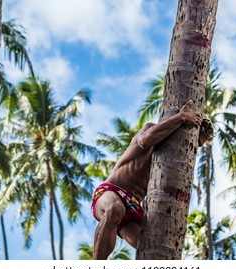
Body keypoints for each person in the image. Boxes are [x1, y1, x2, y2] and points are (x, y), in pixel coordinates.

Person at [91, 100, 214, 260]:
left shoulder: (177, 160)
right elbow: (145, 140)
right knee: (115, 210)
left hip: (134, 206)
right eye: (194, 140)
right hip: (113, 191)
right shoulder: (151, 129)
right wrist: (181, 117)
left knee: (156, 252)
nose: (191, 147)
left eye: (197, 145)